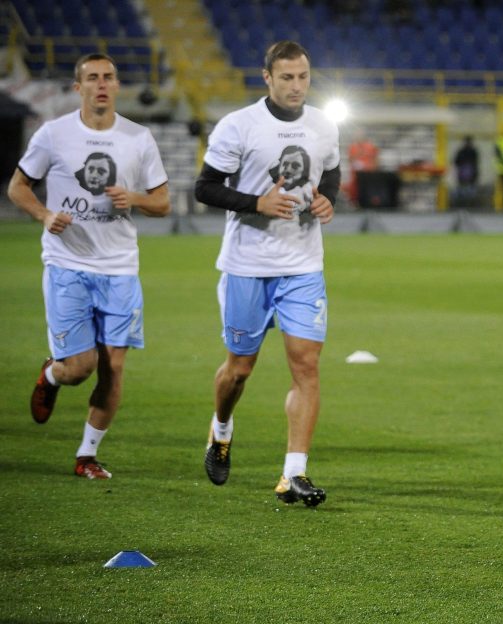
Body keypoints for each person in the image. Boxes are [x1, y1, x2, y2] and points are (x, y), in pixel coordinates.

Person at [7, 53, 170, 479]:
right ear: (78, 87)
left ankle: (87, 456)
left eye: (109, 77)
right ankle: (53, 375)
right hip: (67, 263)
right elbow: (17, 187)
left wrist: (132, 198)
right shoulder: (54, 134)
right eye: (92, 77)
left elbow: (162, 202)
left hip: (119, 268)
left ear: (118, 86)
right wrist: (44, 216)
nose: (102, 84)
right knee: (80, 367)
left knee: (113, 365)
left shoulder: (138, 138)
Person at [193, 40, 342, 506]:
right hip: (247, 266)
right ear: (267, 78)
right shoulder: (239, 126)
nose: (297, 86)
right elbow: (204, 188)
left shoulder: (323, 124)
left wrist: (326, 200)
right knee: (239, 370)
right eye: (287, 78)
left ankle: (293, 472)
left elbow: (331, 173)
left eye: (303, 77)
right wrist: (256, 202)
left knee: (307, 366)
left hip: (302, 266)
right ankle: (221, 429)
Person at [347, 127, 379, 206]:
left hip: (368, 174)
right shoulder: (353, 147)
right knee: (355, 190)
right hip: (356, 175)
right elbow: (351, 160)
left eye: (360, 134)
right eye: (357, 134)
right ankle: (355, 203)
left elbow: (375, 159)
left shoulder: (371, 146)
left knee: (367, 191)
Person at [453, 134, 479, 207]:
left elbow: (456, 162)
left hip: (468, 175)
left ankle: (466, 204)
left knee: (468, 190)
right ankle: (465, 204)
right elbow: (456, 162)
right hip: (465, 175)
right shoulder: (465, 151)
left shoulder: (469, 151)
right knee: (465, 190)